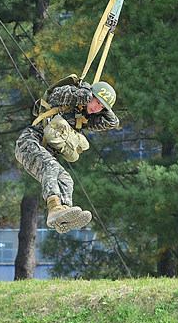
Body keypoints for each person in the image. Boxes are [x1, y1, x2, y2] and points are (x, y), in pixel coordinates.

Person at [15, 79, 119, 233]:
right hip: (29, 143)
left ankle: (64, 214)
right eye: (96, 102)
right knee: (51, 166)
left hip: (45, 153)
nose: (97, 108)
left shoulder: (83, 119)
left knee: (66, 179)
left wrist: (105, 104)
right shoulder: (62, 99)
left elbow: (112, 122)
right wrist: (89, 92)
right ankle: (55, 207)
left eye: (101, 107)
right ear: (89, 96)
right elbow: (64, 93)